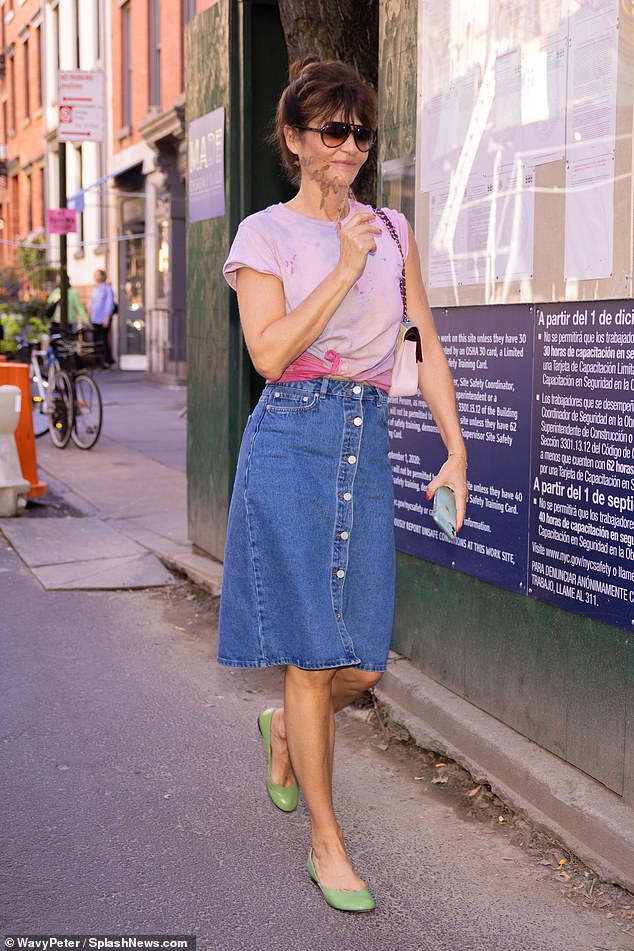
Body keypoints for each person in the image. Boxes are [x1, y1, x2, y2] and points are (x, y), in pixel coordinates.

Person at [219, 57, 467, 913]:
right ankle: (328, 841)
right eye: (333, 131)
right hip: (292, 439)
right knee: (310, 654)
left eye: (360, 131)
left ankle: (288, 728)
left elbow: (421, 343)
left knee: (359, 663)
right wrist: (340, 265)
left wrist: (456, 450)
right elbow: (268, 352)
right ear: (294, 139)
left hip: (365, 440)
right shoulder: (264, 236)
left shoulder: (390, 228)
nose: (350, 148)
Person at [89, 268, 115, 368]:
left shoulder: (107, 288)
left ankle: (107, 360)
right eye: (95, 275)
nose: (96, 277)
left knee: (103, 339)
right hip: (95, 318)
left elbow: (109, 303)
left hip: (103, 317)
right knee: (96, 340)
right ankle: (98, 361)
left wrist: (107, 317)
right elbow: (92, 302)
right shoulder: (95, 288)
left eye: (98, 275)